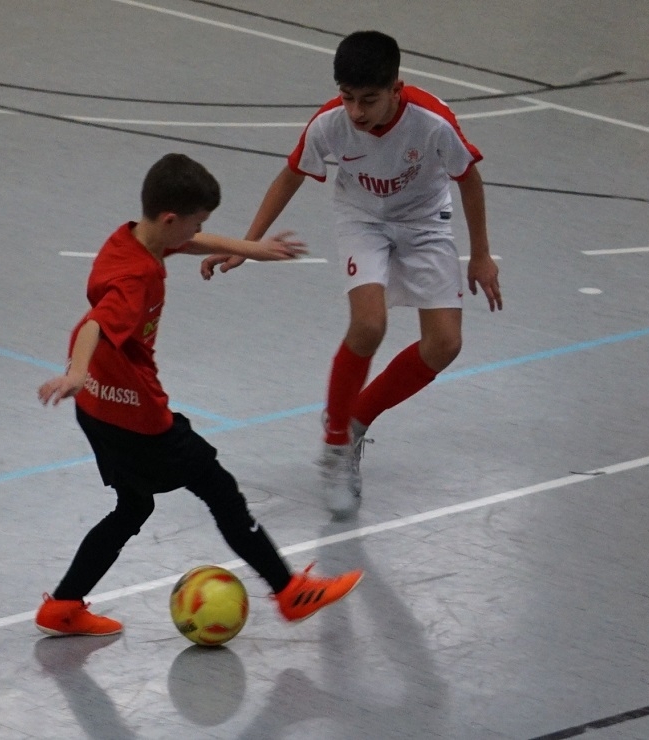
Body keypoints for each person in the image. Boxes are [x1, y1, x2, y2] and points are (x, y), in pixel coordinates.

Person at [35, 153, 362, 636]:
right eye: (197, 221)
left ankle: (62, 606)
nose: (199, 231)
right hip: (136, 416)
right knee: (219, 489)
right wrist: (78, 371)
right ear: (171, 219)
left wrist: (251, 248)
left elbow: (187, 242)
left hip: (96, 409)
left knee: (133, 507)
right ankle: (289, 591)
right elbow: (97, 323)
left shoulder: (132, 239)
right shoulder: (136, 277)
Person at [202, 31, 503, 518]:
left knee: (445, 344)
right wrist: (248, 244)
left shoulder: (432, 122)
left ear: (396, 89)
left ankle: (355, 417)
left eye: (369, 99)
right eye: (347, 98)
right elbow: (290, 175)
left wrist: (482, 255)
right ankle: (336, 446)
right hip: (362, 219)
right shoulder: (329, 123)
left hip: (426, 221)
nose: (357, 111)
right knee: (368, 324)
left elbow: (469, 180)